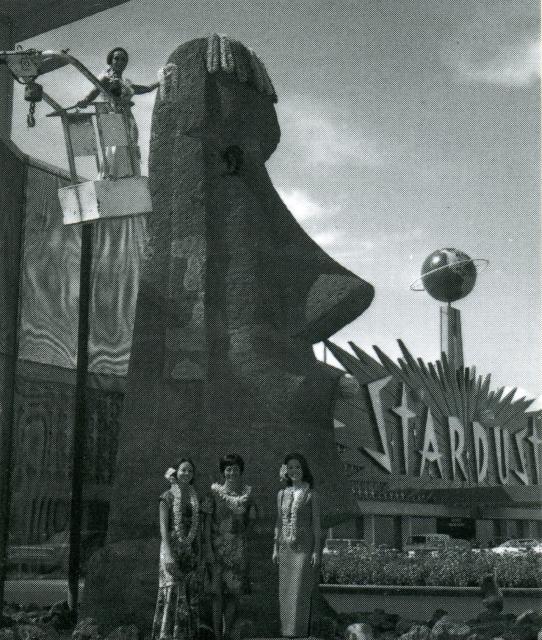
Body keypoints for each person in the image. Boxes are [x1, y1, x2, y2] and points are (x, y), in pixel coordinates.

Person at [77, 47, 159, 178]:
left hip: (127, 119)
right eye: (117, 58)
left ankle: (130, 175)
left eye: (123, 59)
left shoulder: (126, 84)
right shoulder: (106, 78)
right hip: (112, 117)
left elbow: (147, 89)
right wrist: (85, 101)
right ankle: (111, 175)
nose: (120, 61)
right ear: (111, 61)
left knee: (130, 146)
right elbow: (93, 93)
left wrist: (161, 81)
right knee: (116, 146)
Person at [203, 454, 257, 640]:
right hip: (217, 551)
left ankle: (227, 635)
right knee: (217, 595)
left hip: (237, 552)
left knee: (233, 595)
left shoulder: (247, 496)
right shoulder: (213, 494)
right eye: (228, 469)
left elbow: (251, 520)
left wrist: (243, 537)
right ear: (223, 472)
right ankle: (217, 635)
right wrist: (209, 549)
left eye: (236, 469)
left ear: (241, 471)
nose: (232, 472)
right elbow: (206, 523)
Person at [272, 453, 321, 638]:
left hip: (304, 547)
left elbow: (316, 524)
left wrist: (316, 550)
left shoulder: (311, 494)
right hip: (285, 547)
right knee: (286, 591)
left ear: (303, 469)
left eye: (297, 467)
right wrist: (275, 548)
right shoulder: (281, 494)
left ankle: (298, 633)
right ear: (285, 471)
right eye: (290, 467)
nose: (294, 471)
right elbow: (279, 522)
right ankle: (287, 633)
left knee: (300, 590)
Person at [152, 459, 201, 640]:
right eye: (183, 470)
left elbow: (197, 527)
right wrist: (168, 554)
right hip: (171, 549)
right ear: (176, 472)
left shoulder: (195, 498)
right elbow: (163, 528)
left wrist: (199, 553)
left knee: (189, 592)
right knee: (172, 590)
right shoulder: (167, 496)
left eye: (190, 471)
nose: (186, 473)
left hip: (190, 552)